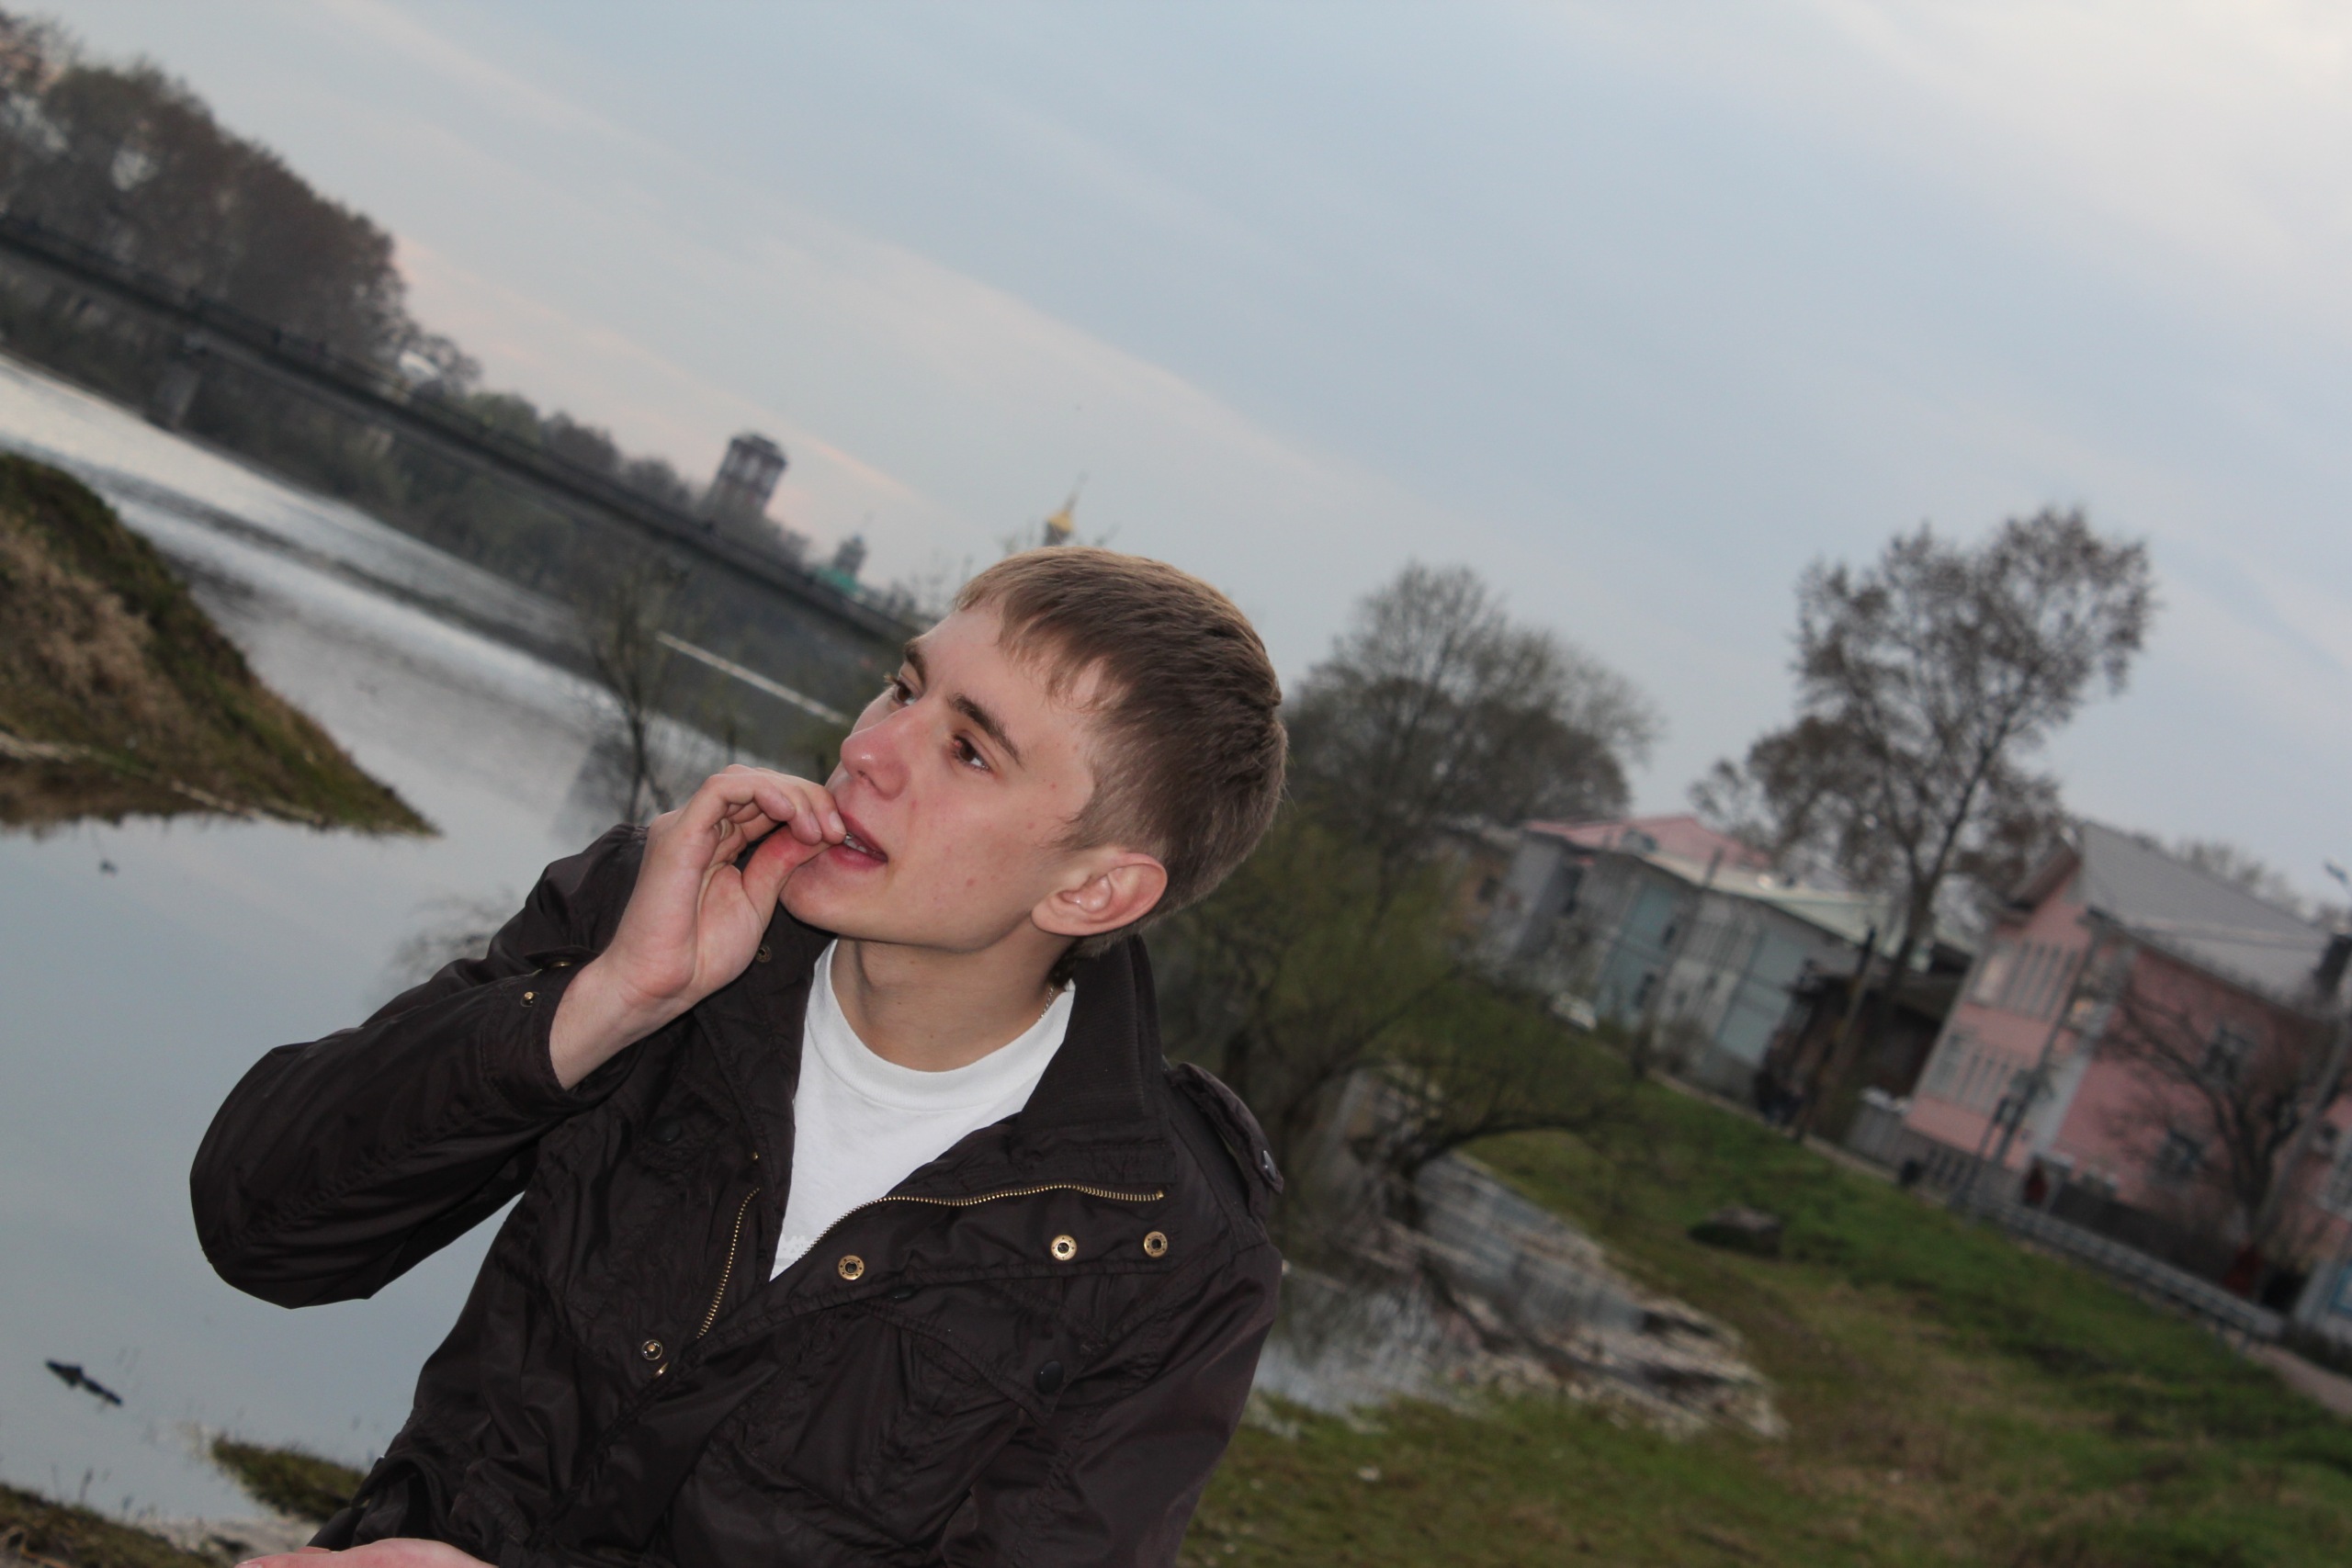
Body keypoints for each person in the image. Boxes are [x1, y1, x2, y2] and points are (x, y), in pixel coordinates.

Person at [193, 548, 1289, 1568]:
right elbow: (262, 1228)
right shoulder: (658, 915)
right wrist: (608, 1002)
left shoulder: (1166, 1253)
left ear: (1093, 891)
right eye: (902, 690)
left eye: (967, 750)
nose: (866, 751)